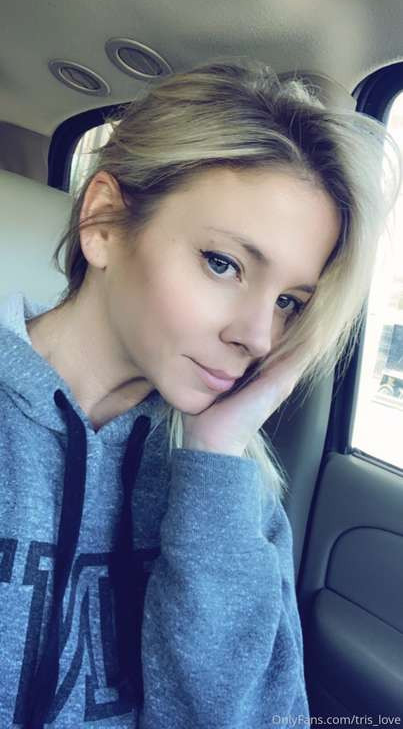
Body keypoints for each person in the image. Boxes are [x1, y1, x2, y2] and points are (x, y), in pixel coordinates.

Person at [0, 57, 399, 728]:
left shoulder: (234, 491)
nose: (258, 337)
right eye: (223, 263)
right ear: (103, 222)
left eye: (290, 302)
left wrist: (214, 456)